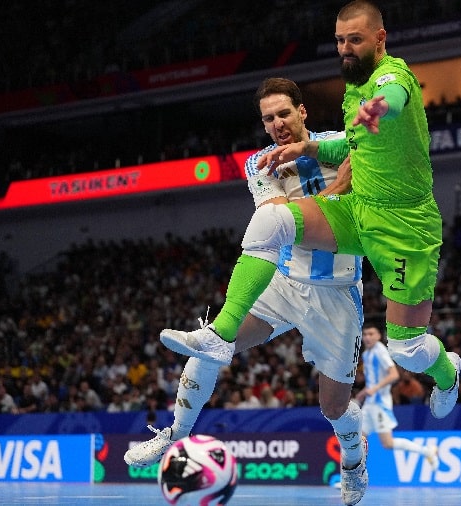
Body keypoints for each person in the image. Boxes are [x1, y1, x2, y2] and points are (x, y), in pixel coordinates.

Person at [160, 1, 460, 426]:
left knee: (407, 351)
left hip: (402, 227)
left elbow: (393, 94)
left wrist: (377, 108)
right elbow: (351, 148)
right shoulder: (351, 90)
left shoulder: (392, 76)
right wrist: (310, 149)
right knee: (271, 222)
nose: (345, 48)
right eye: (340, 40)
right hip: (356, 214)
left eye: (355, 39)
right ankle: (219, 336)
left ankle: (448, 374)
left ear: (380, 39)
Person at [125, 77, 368, 505]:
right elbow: (280, 224)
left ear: (302, 112)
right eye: (268, 118)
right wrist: (339, 189)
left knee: (333, 407)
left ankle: (353, 460)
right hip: (284, 281)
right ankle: (174, 434)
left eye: (283, 114)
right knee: (212, 342)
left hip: (338, 293)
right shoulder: (260, 163)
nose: (276, 124)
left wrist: (337, 193)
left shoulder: (339, 143)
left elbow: (359, 209)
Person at [355, 323, 438, 467]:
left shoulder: (380, 351)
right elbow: (373, 381)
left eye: (371, 334)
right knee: (357, 441)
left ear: (379, 336)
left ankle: (427, 451)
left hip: (380, 404)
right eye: (365, 334)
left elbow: (394, 375)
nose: (367, 337)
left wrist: (375, 389)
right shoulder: (367, 354)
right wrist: (362, 394)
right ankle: (350, 480)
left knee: (387, 443)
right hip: (369, 404)